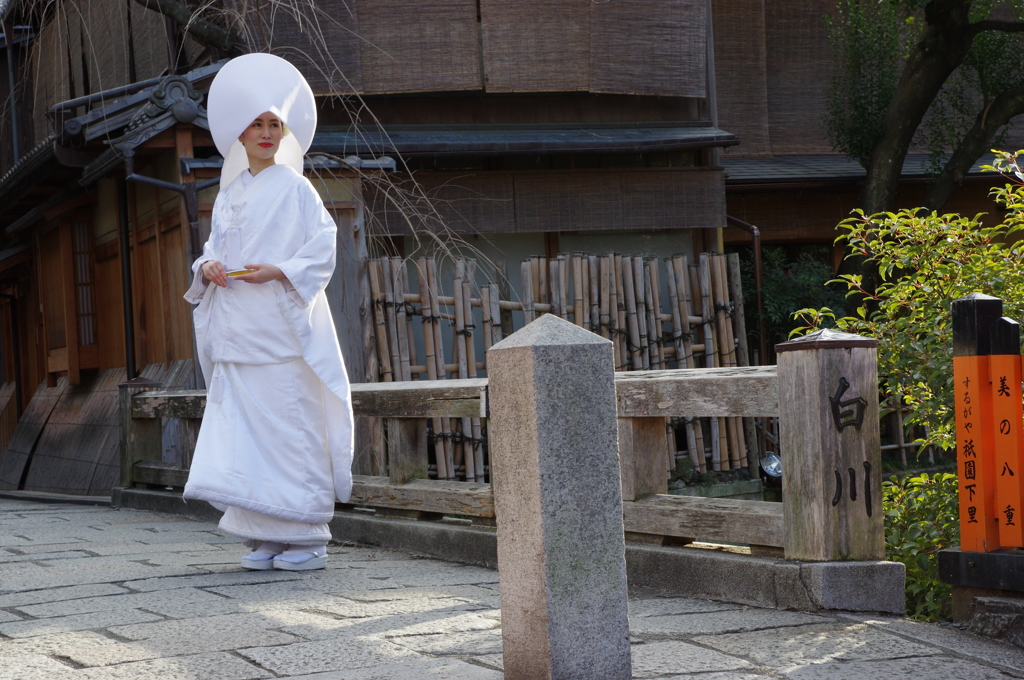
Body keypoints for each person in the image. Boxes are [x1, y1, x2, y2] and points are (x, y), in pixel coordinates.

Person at [182, 53, 354, 571]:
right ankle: (265, 536)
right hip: (238, 331)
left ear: (284, 134)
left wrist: (279, 270)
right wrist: (208, 266)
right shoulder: (229, 195)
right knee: (247, 438)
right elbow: (211, 247)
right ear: (239, 133)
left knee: (289, 431)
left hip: (279, 332)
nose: (264, 132)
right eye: (255, 124)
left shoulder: (296, 188)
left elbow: (324, 245)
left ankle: (308, 539)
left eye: (273, 124)